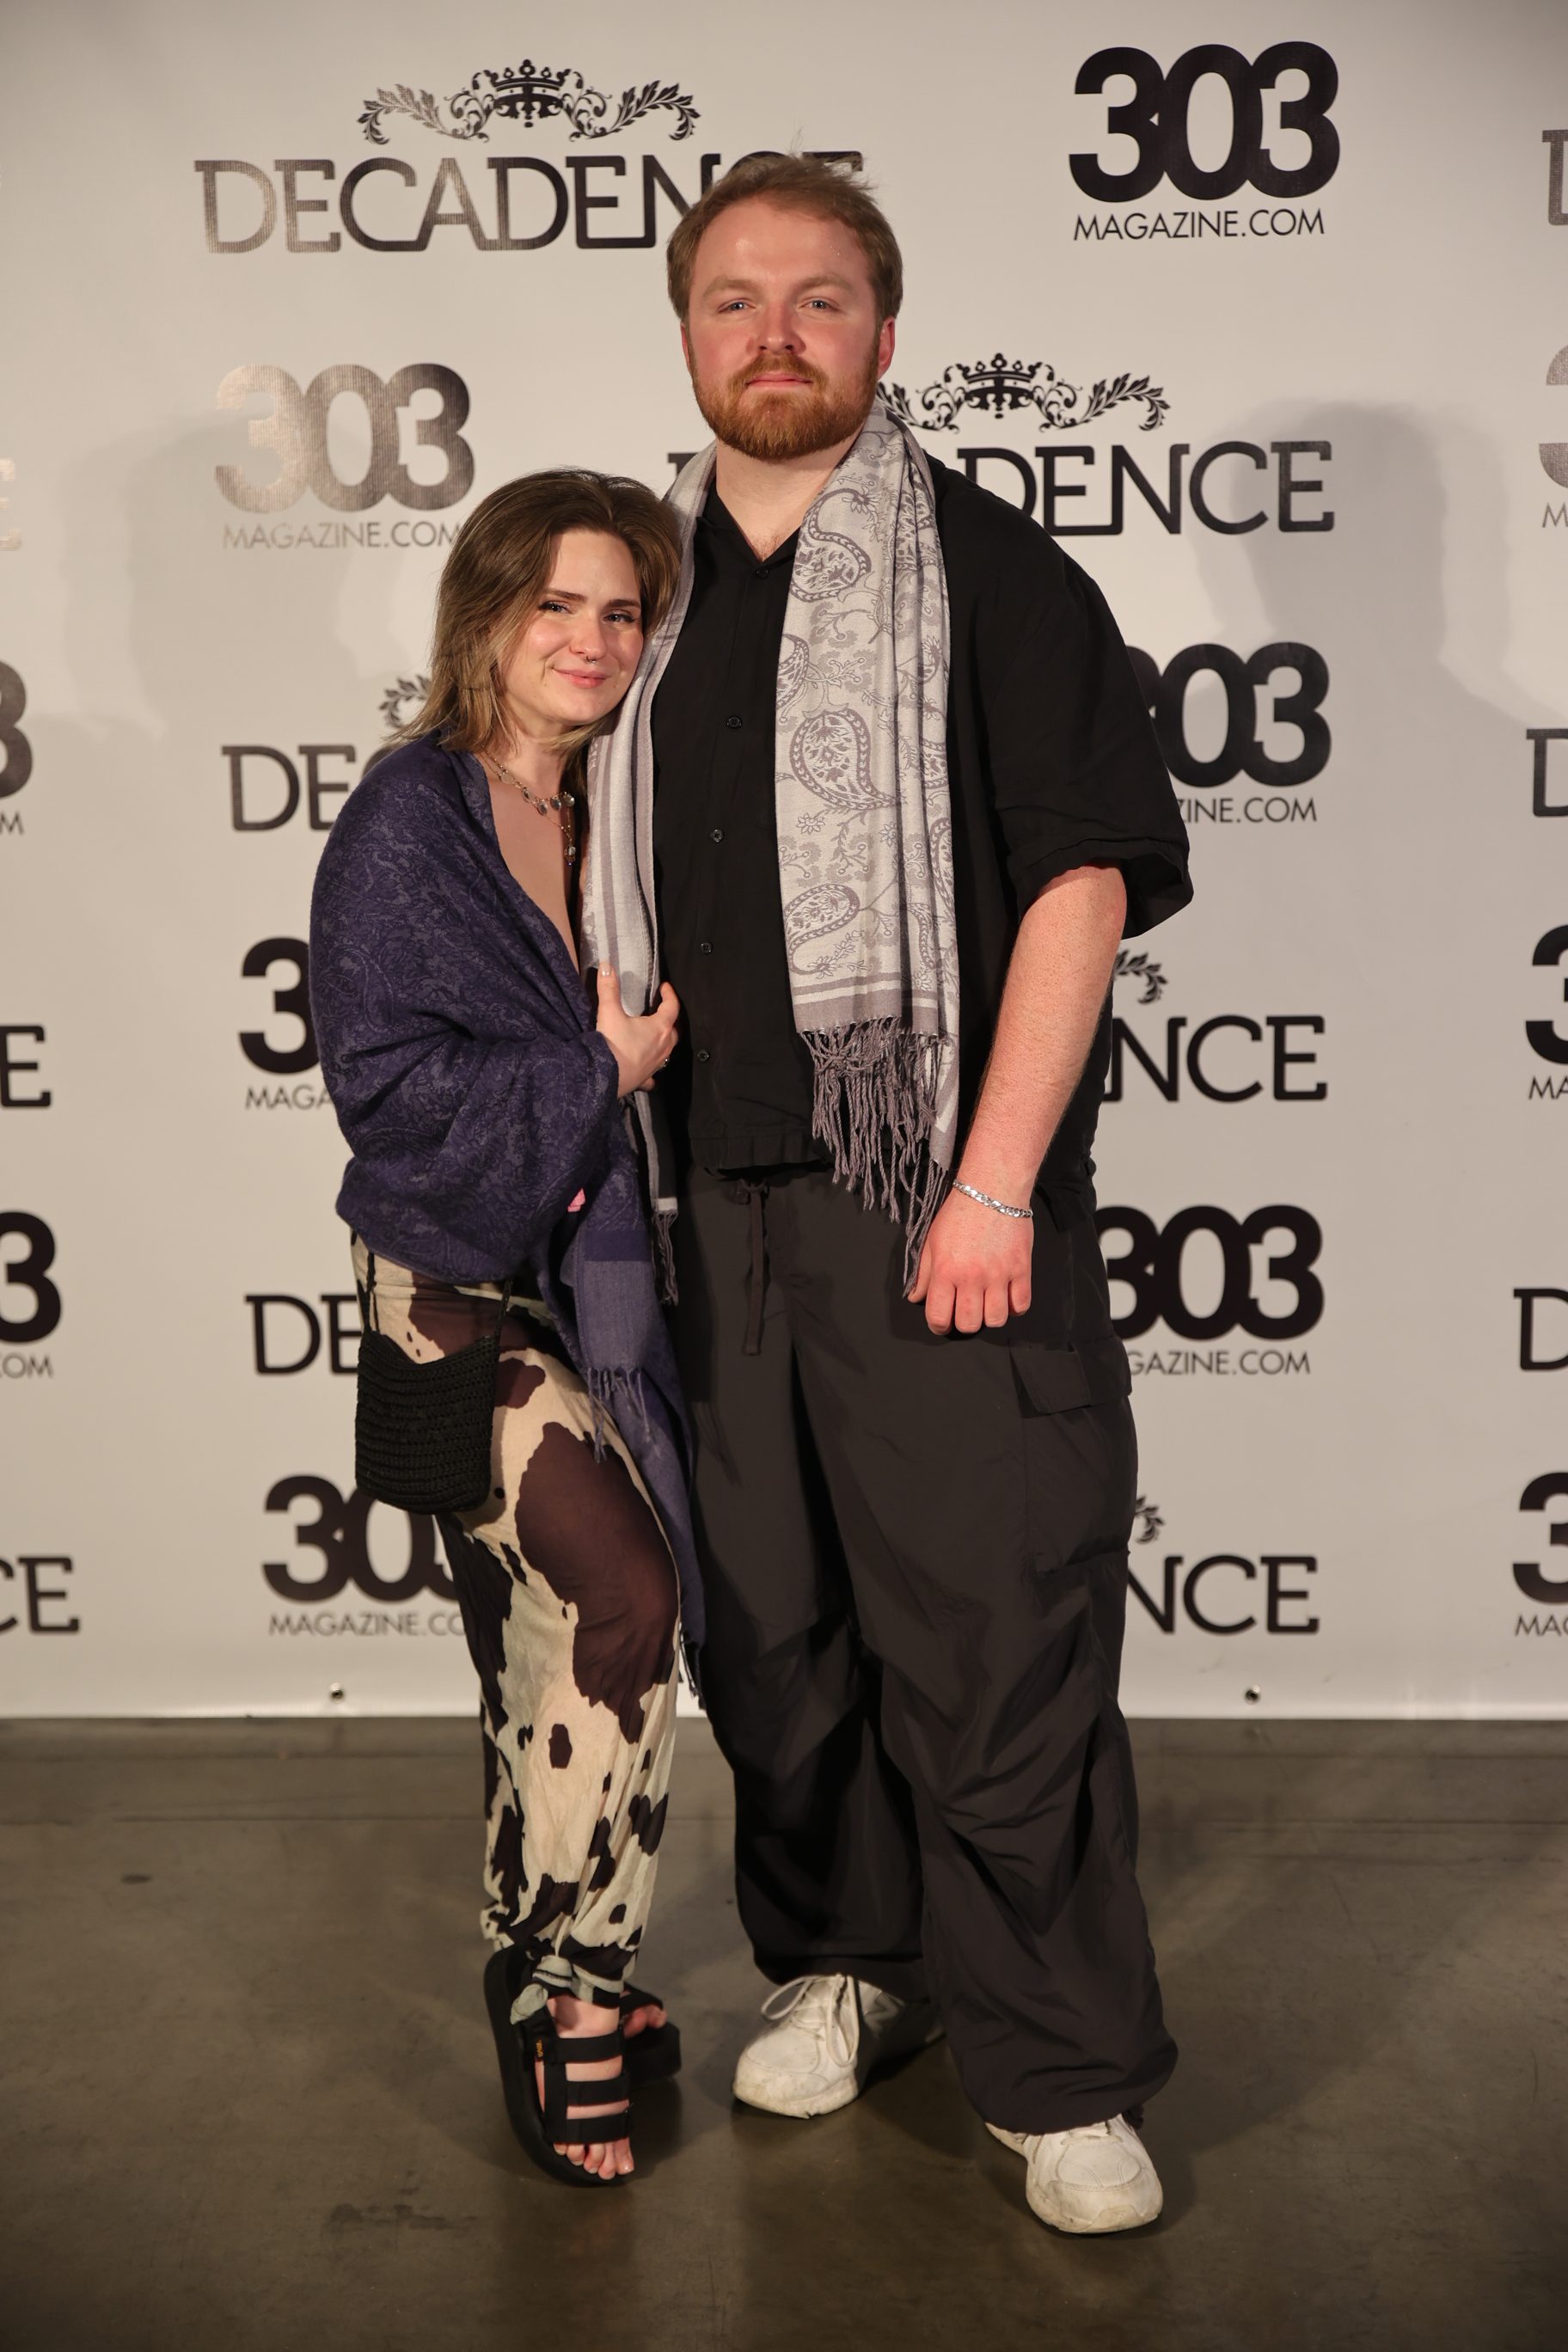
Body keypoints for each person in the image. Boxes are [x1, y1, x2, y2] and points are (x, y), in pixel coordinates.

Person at [582, 156, 1192, 2235]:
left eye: (819, 299)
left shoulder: (993, 577)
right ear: (688, 335)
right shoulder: (629, 597)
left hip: (930, 1193)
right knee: (775, 1639)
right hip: (699, 1207)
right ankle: (857, 1960)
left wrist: (994, 1181)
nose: (775, 334)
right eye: (734, 299)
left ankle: (1063, 2073)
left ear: (884, 333)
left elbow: (1084, 884)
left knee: (992, 1640)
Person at [309, 470, 699, 2188]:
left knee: (545, 1641)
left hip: (610, 1277)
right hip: (453, 1291)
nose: (593, 640)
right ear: (486, 614)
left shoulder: (624, 808)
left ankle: (548, 1942)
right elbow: (385, 1095)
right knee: (621, 1594)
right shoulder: (413, 818)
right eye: (558, 604)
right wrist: (593, 1070)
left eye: (623, 610)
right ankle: (567, 1991)